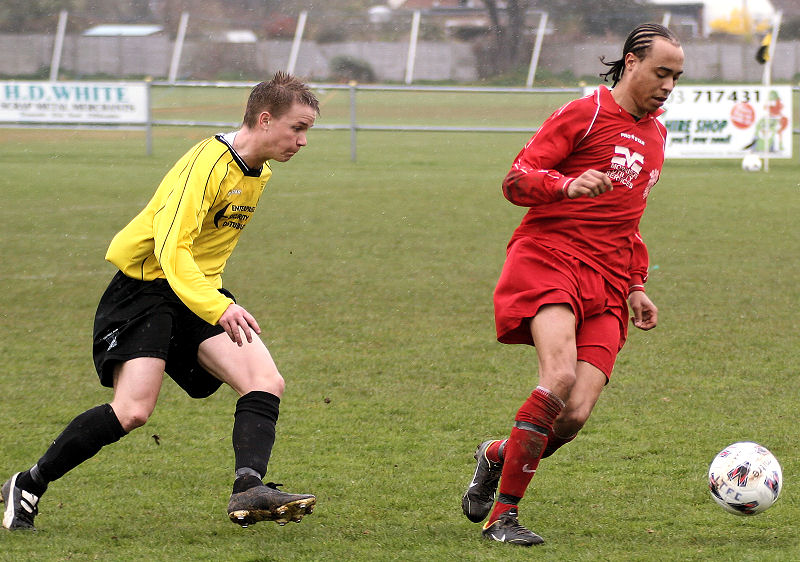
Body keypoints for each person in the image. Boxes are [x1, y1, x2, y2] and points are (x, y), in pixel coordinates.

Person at [2, 72, 320, 531]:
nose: (303, 141)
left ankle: (249, 488)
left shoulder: (259, 172)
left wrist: (213, 299)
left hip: (198, 292)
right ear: (266, 120)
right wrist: (219, 308)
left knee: (265, 380)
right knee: (133, 410)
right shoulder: (206, 166)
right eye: (298, 128)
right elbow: (173, 251)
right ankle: (28, 483)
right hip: (146, 290)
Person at [461, 23, 684, 546]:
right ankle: (503, 517)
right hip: (550, 259)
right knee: (557, 378)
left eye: (676, 76)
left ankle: (496, 455)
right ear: (631, 62)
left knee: (575, 414)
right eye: (661, 72)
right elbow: (516, 180)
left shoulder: (657, 134)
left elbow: (628, 219)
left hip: (608, 279)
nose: (669, 85)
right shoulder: (583, 115)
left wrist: (635, 284)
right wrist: (566, 184)